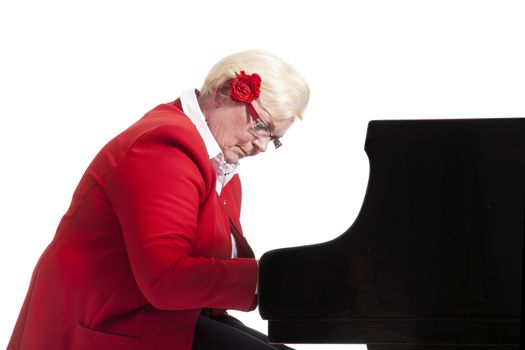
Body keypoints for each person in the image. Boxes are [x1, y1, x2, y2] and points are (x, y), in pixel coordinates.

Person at [7, 50, 310, 350]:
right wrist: (274, 275)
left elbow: (210, 273)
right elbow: (166, 279)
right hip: (107, 325)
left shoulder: (222, 168)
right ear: (223, 92)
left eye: (274, 138)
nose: (262, 146)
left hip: (163, 316)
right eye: (260, 126)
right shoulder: (165, 146)